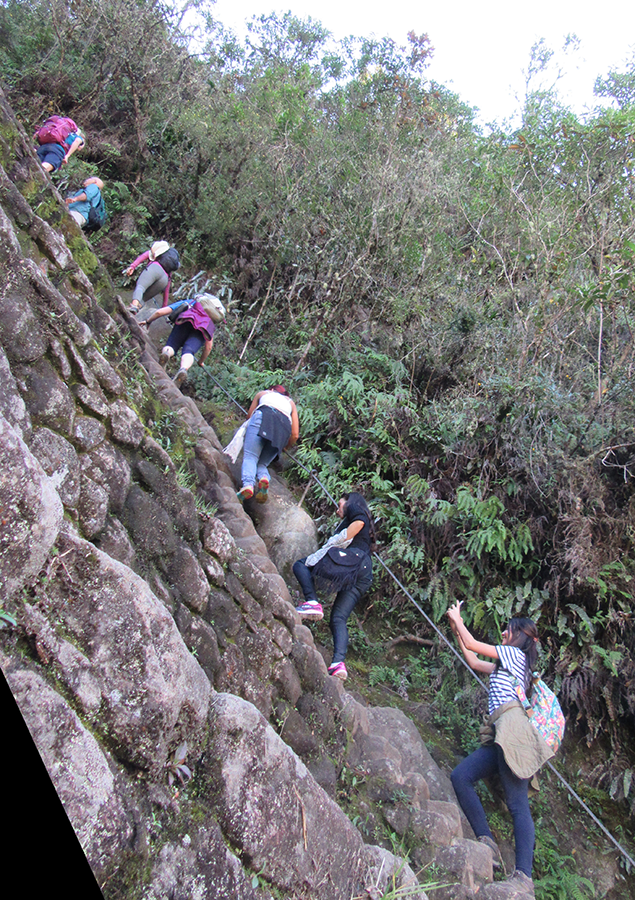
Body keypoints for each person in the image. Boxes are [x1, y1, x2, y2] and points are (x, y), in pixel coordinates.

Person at [447, 600, 549, 891]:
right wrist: (457, 628)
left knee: (518, 805)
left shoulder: (515, 655)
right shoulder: (508, 664)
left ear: (518, 635)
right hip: (500, 734)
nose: (504, 632)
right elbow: (474, 660)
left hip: (513, 734)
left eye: (509, 630)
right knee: (461, 776)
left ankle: (524, 877)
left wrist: (459, 620)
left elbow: (474, 642)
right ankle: (487, 842)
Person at [294, 492, 375, 681]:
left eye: (340, 504)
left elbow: (360, 521)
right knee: (338, 618)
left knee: (301, 565)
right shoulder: (364, 533)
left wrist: (337, 540)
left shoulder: (355, 508)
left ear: (349, 502)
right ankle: (338, 663)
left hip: (354, 561)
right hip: (364, 573)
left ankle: (312, 601)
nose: (337, 508)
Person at [139, 293, 219, 388]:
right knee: (189, 351)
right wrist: (201, 361)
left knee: (172, 345)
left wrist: (148, 321)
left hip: (185, 320)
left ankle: (167, 354)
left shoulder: (191, 303)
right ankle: (183, 369)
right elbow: (208, 347)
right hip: (201, 330)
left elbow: (159, 312)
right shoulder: (210, 319)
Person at [237, 387, 300, 504]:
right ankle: (263, 479)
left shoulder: (263, 393)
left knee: (251, 456)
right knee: (262, 463)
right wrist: (285, 446)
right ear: (286, 395)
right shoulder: (290, 403)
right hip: (282, 430)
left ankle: (248, 485)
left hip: (263, 416)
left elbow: (249, 416)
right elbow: (295, 434)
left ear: (271, 389)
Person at [125, 241, 180, 314]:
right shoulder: (168, 270)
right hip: (164, 280)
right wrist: (164, 306)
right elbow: (166, 290)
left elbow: (143, 257)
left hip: (154, 269)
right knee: (143, 298)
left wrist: (132, 266)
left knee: (141, 287)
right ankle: (134, 314)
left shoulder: (155, 256)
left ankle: (134, 306)